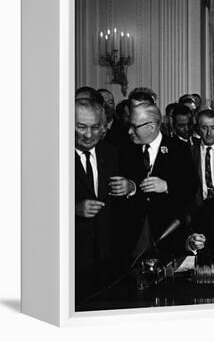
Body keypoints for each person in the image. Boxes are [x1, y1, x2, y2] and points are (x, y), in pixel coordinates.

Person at [74, 98, 134, 304]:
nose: (88, 135)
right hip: (72, 259)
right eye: (81, 127)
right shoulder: (52, 155)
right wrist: (72, 210)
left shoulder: (111, 152)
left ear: (103, 127)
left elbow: (128, 208)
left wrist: (129, 187)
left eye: (95, 127)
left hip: (109, 257)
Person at [122, 103, 198, 259]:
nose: (129, 131)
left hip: (169, 234)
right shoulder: (125, 150)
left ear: (151, 126)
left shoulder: (178, 149)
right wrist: (131, 187)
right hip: (135, 237)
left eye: (134, 127)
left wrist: (167, 186)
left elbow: (191, 188)